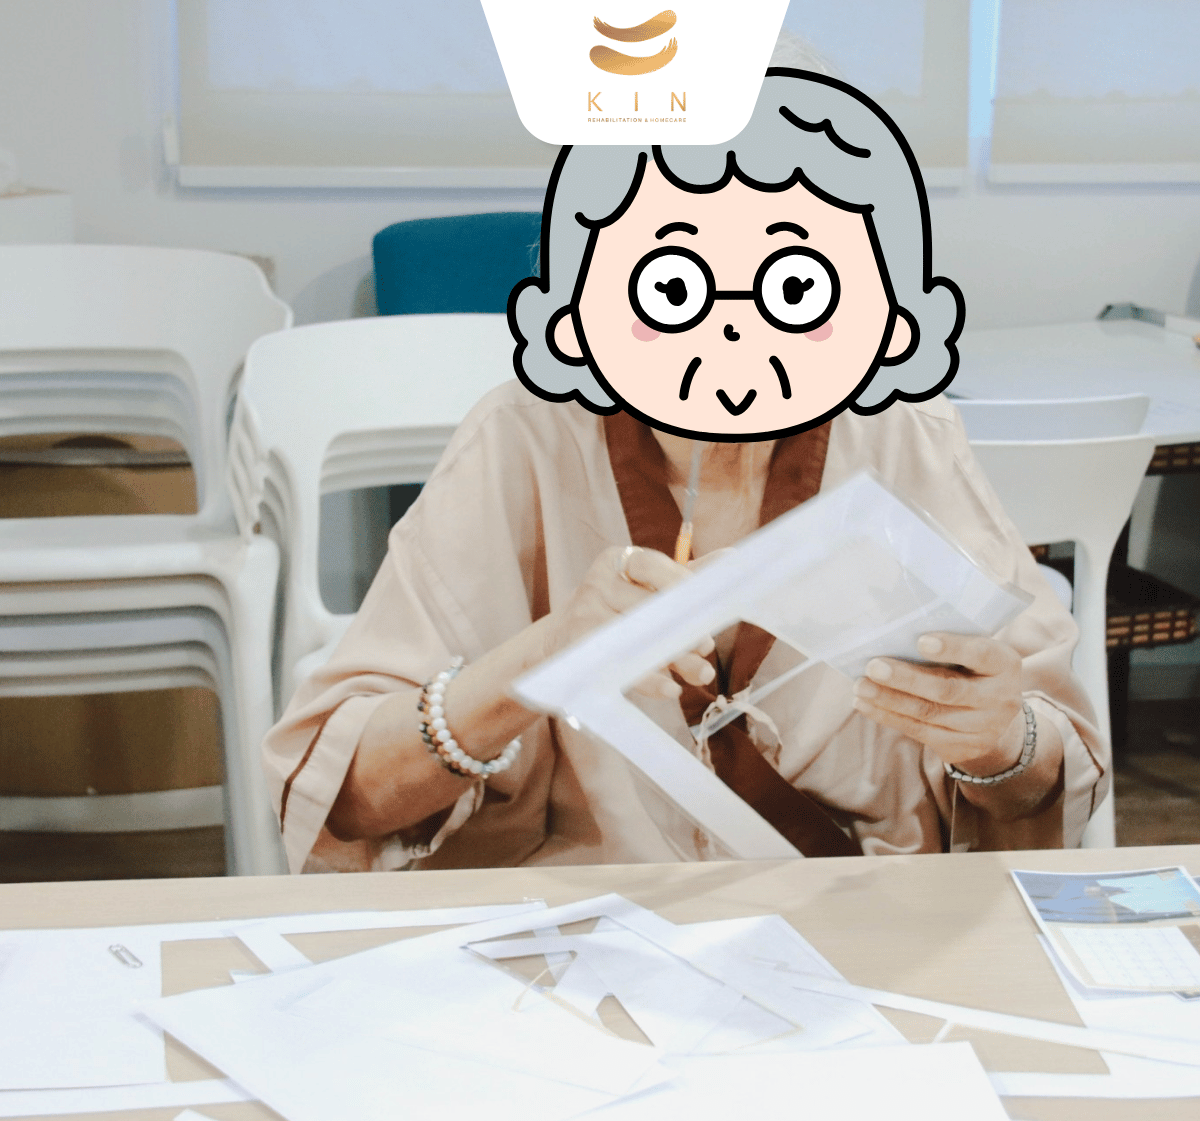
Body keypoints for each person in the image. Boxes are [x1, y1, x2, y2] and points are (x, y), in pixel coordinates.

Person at [263, 71, 1106, 873]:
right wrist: (546, 655)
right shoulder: (524, 437)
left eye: (793, 286)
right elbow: (347, 791)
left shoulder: (902, 434)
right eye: (675, 287)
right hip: (588, 912)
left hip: (862, 908)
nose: (733, 330)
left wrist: (1000, 740)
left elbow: (1052, 766)